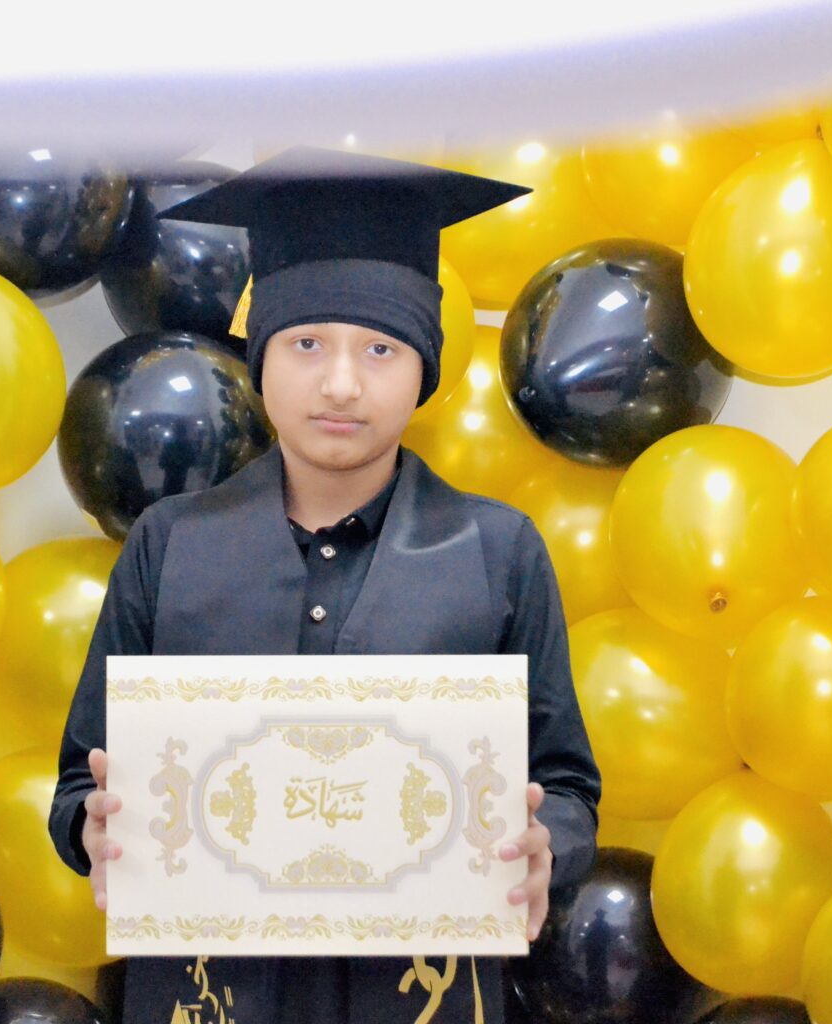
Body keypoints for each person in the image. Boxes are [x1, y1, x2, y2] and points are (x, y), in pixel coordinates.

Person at [48, 147, 601, 1024]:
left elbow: (565, 786)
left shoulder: (496, 552)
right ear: (261, 354)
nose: (342, 384)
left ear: (424, 367)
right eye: (307, 344)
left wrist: (546, 844)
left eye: (380, 349)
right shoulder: (170, 546)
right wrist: (95, 825)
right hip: (209, 995)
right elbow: (82, 782)